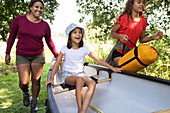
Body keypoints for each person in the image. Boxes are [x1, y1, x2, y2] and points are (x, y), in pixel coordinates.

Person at [45, 23, 123, 113]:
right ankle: (80, 110)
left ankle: (83, 111)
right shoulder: (65, 48)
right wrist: (51, 78)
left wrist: (112, 68)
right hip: (69, 76)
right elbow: (57, 63)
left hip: (81, 74)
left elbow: (98, 60)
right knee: (79, 80)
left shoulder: (84, 48)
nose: (78, 34)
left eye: (79, 32)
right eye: (75, 32)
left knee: (92, 83)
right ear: (69, 35)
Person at [5, 0, 58, 112]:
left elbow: (49, 42)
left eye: (41, 8)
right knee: (24, 82)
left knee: (36, 80)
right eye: (36, 7)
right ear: (30, 7)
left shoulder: (45, 25)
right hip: (22, 54)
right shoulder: (19, 19)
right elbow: (11, 37)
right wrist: (7, 53)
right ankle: (25, 92)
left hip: (37, 55)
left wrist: (57, 55)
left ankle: (34, 102)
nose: (39, 10)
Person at [106, 0, 163, 66]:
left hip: (131, 54)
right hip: (119, 51)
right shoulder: (124, 18)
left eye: (143, 3)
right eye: (139, 2)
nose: (141, 4)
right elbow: (112, 33)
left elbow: (141, 39)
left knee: (129, 73)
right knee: (123, 68)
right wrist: (120, 37)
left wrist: (152, 37)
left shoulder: (143, 21)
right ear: (131, 4)